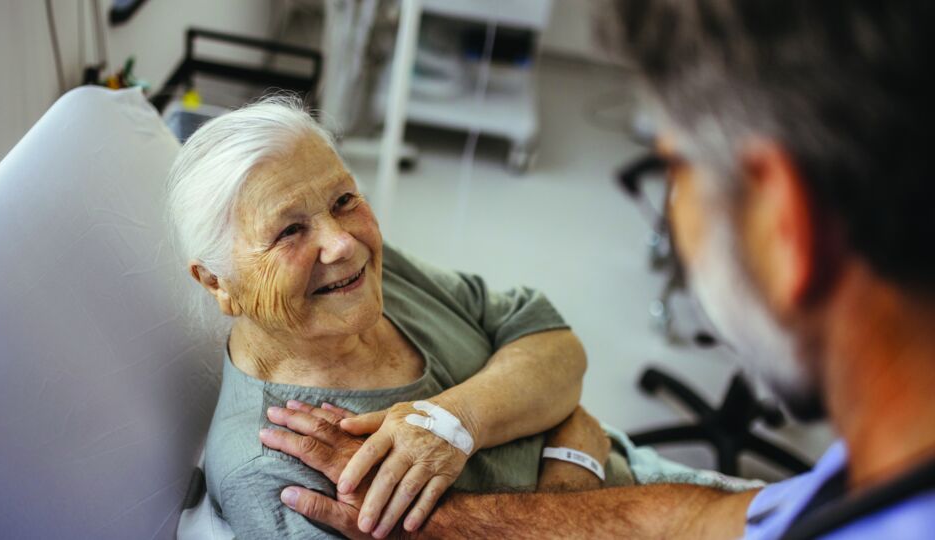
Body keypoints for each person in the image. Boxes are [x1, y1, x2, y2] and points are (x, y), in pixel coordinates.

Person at [267, 0, 935, 537]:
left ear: (785, 226)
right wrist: (500, 502)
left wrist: (460, 432)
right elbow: (697, 520)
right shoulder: (887, 463)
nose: (341, 246)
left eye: (674, 171)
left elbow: (549, 340)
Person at [165, 97, 635, 539]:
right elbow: (555, 380)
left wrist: (455, 421)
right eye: (289, 230)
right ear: (216, 282)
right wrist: (573, 476)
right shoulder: (272, 469)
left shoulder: (361, 277)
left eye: (343, 199)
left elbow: (551, 339)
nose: (343, 243)